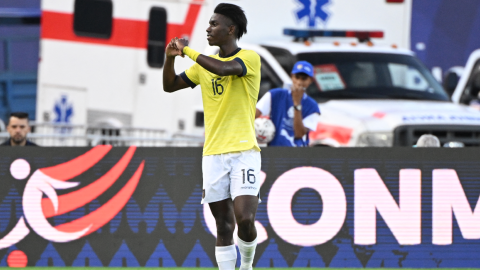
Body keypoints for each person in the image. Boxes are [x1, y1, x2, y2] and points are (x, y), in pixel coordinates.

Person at [162, 4, 261, 270]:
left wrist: (187, 51)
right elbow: (169, 86)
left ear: (231, 30)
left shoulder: (250, 58)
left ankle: (248, 265)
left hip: (244, 152)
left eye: (214, 24)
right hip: (213, 155)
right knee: (223, 225)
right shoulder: (202, 66)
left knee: (246, 220)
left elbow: (223, 69)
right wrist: (170, 57)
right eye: (208, 23)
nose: (208, 28)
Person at [255, 61, 320, 146]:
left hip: (296, 154)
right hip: (273, 150)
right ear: (292, 77)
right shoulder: (275, 95)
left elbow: (299, 134)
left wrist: (297, 103)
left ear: (310, 80)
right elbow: (252, 115)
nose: (299, 82)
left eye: (304, 78)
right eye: (297, 77)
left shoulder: (312, 106)